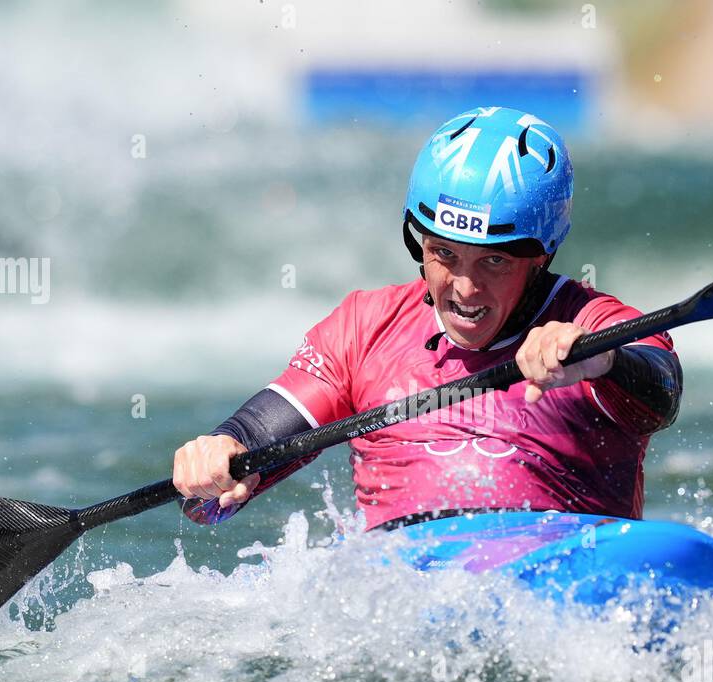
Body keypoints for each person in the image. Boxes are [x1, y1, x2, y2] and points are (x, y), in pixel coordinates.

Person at [172, 106, 682, 531]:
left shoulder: (599, 323)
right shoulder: (362, 329)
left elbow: (661, 398)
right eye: (444, 254)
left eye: (494, 261)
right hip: (407, 597)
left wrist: (603, 361)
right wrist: (217, 460)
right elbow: (217, 492)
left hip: (563, 581)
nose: (464, 287)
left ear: (542, 254)